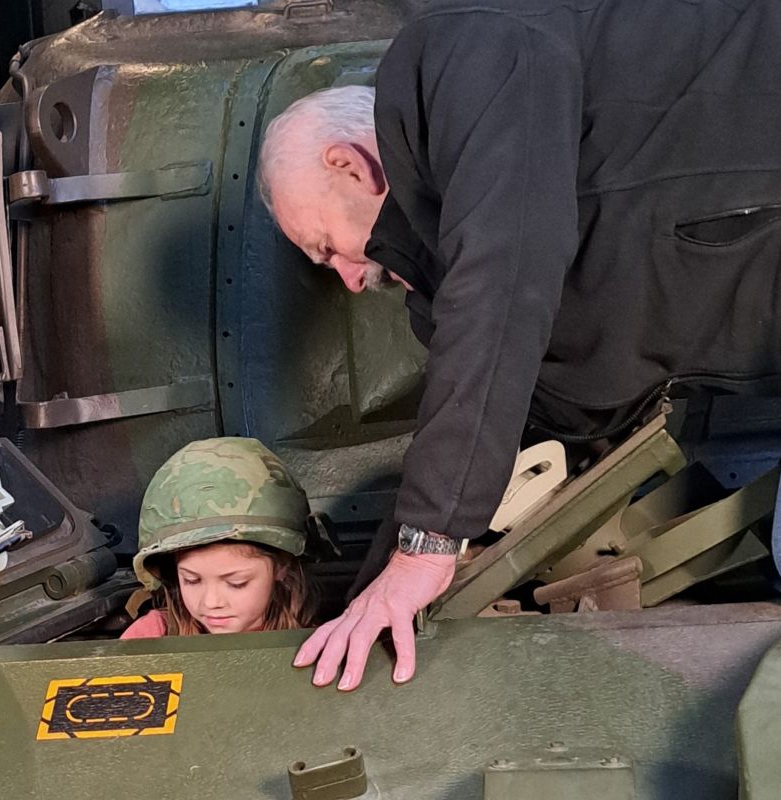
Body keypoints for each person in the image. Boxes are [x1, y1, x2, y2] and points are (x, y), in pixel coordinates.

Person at [257, 0, 781, 691]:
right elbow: (515, 411)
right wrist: (358, 607)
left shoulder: (460, 53)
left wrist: (427, 546)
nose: (350, 282)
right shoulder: (447, 285)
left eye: (326, 251)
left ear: (349, 165)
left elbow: (504, 267)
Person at [122, 437, 316, 639]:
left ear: (282, 566)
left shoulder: (316, 644)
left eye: (236, 583)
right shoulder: (150, 637)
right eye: (192, 580)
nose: (211, 602)